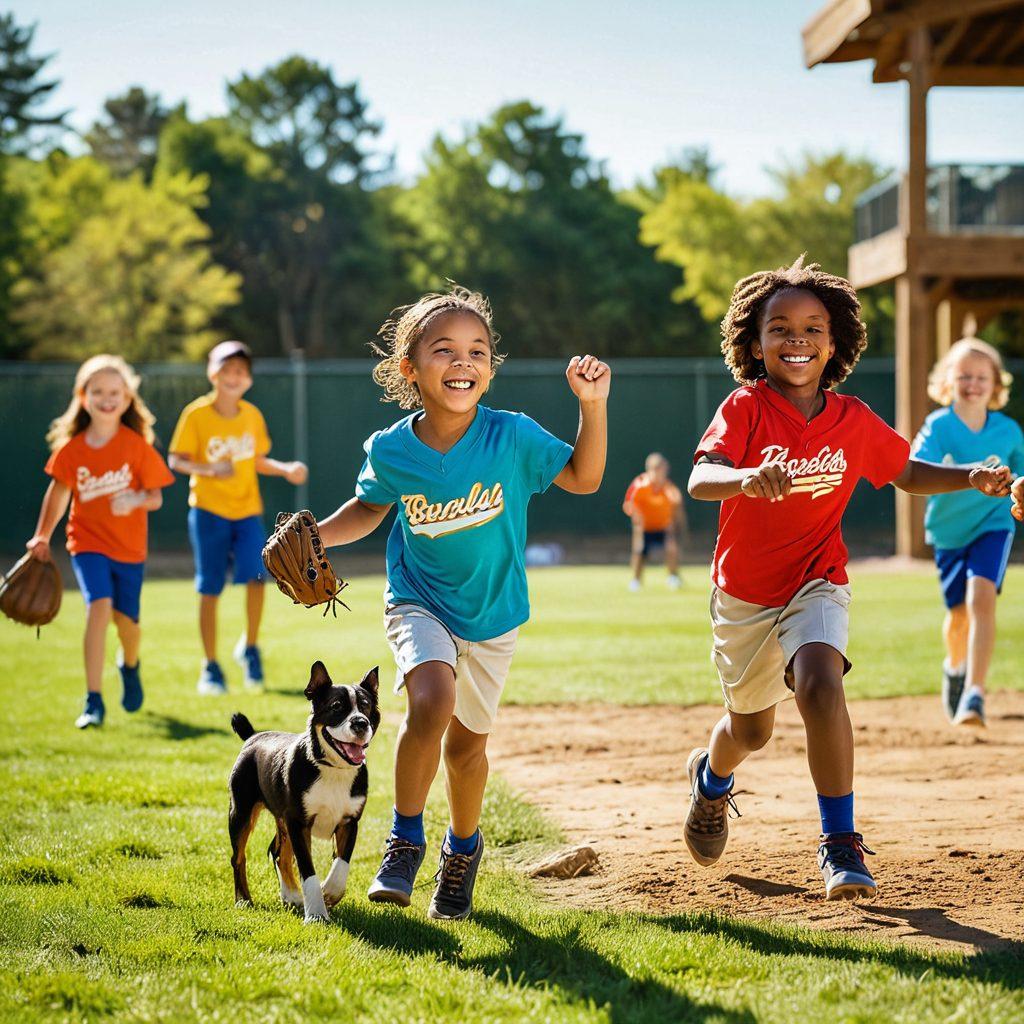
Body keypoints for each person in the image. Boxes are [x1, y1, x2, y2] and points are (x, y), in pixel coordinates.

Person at [684, 257, 1012, 901]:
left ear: (836, 343)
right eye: (780, 327)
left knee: (819, 679)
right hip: (746, 594)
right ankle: (711, 781)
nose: (797, 338)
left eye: (813, 327)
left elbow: (907, 472)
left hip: (818, 579)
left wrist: (970, 474)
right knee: (750, 729)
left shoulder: (853, 419)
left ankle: (839, 842)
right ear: (755, 343)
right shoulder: (746, 407)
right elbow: (701, 477)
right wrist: (745, 478)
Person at [316, 285, 610, 920]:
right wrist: (318, 535)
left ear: (491, 369)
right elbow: (369, 509)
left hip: (495, 615)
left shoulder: (513, 437)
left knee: (467, 749)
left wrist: (593, 406)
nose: (463, 361)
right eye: (443, 349)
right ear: (410, 368)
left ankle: (462, 851)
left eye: (477, 350)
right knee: (431, 699)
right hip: (418, 599)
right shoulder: (391, 448)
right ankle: (404, 837)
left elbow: (585, 480)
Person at [26, 354, 175, 728]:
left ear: (126, 399)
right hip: (87, 542)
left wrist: (137, 499)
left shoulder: (136, 445)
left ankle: (129, 663)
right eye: (98, 391)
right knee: (99, 606)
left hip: (129, 549)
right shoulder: (72, 450)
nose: (107, 398)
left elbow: (156, 496)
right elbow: (58, 495)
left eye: (114, 391)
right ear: (83, 396)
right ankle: (93, 699)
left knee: (128, 626)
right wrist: (41, 535)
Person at [168, 341, 307, 694]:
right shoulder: (197, 414)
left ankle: (250, 648)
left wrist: (285, 468)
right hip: (208, 512)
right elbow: (176, 460)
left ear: (248, 379)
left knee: (258, 577)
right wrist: (208, 468)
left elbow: (258, 459)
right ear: (212, 373)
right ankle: (211, 666)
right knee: (209, 587)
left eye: (241, 372)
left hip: (247, 511)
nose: (234, 377)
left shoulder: (251, 415)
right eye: (226, 370)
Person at [912, 336, 1024, 728]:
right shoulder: (938, 426)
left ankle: (975, 694)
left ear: (996, 384)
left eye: (982, 377)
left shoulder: (1008, 430)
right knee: (958, 615)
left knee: (982, 598)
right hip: (948, 532)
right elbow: (914, 468)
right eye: (964, 376)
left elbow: (1020, 473)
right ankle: (955, 668)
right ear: (947, 381)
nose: (973, 383)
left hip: (993, 524)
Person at [623, 452, 687, 590]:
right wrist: (638, 524)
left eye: (663, 470)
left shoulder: (669, 488)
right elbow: (629, 506)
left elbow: (677, 504)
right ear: (649, 470)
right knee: (639, 551)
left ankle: (673, 577)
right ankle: (636, 581)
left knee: (671, 548)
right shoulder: (640, 486)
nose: (660, 473)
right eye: (657, 469)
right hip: (644, 528)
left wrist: (676, 525)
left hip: (663, 527)